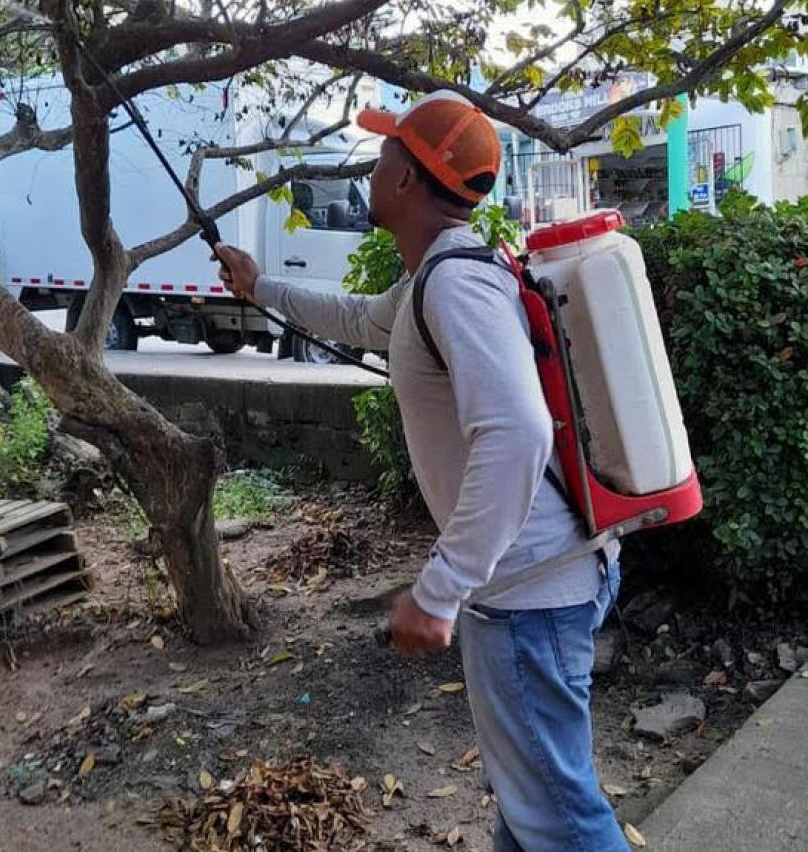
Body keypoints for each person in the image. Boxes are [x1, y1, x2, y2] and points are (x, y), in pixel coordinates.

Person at [214, 90, 628, 852]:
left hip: (528, 590)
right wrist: (259, 287)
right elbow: (357, 319)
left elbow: (518, 431)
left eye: (384, 157)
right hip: (533, 581)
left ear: (407, 180)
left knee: (560, 818)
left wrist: (439, 593)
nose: (372, 170)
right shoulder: (434, 278)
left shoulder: (458, 283)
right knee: (528, 800)